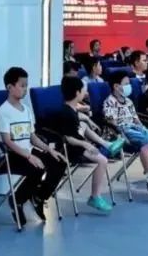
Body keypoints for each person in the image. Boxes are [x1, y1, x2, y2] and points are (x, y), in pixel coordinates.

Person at [0, 66, 67, 225]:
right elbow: (7, 141)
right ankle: (17, 200)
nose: (25, 89)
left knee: (59, 162)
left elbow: (32, 137)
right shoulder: (4, 111)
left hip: (29, 151)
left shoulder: (26, 109)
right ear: (10, 87)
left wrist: (49, 150)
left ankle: (39, 197)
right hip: (14, 154)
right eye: (22, 85)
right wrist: (29, 156)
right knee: (38, 168)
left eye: (26, 85)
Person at [49, 77, 114, 213]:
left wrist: (87, 120)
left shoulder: (70, 109)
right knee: (102, 160)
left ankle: (107, 144)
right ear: (77, 92)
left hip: (77, 142)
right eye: (84, 90)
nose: (85, 92)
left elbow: (78, 118)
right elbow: (68, 138)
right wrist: (86, 144)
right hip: (72, 148)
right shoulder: (67, 114)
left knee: (84, 124)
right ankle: (95, 196)